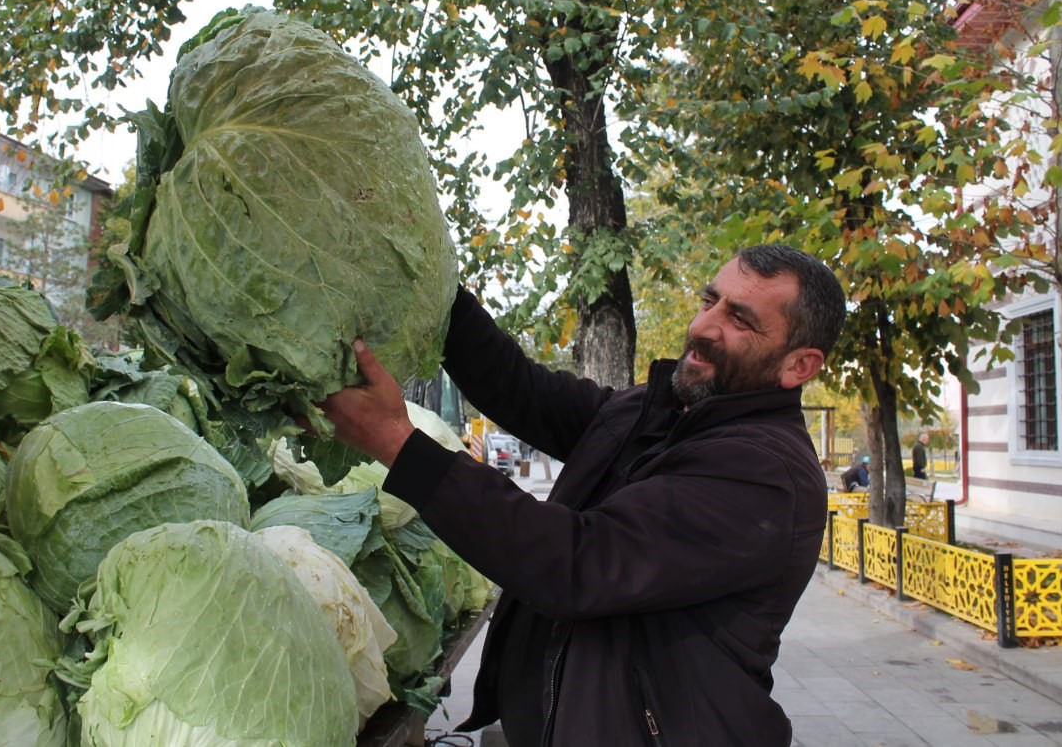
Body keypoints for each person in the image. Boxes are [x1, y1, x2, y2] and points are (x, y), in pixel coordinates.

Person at [316, 244, 847, 746]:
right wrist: (432, 278)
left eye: (741, 320)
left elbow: (578, 562)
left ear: (799, 365)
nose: (703, 327)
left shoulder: (765, 473)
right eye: (711, 301)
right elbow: (522, 389)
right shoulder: (658, 414)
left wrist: (396, 441)